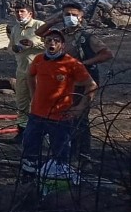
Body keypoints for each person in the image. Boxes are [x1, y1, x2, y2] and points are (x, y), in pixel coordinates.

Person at [36, 2, 112, 161]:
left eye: (73, 14)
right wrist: (53, 20)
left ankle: (84, 157)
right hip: (64, 83)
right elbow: (40, 32)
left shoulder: (87, 36)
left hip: (82, 81)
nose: (70, 17)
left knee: (80, 118)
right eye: (66, 14)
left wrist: (84, 64)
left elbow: (106, 54)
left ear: (81, 16)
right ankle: (68, 153)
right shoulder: (61, 35)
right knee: (64, 117)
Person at [20, 31, 97, 183]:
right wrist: (33, 94)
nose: (52, 43)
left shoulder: (72, 63)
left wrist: (80, 107)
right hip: (37, 114)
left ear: (62, 44)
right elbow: (30, 75)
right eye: (48, 40)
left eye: (56, 40)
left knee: (60, 153)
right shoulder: (39, 59)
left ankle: (57, 185)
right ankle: (28, 179)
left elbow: (92, 85)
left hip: (60, 117)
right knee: (30, 148)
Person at [6, 4, 45, 143]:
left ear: (30, 13)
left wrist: (32, 43)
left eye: (22, 11)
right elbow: (10, 47)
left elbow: (52, 44)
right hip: (22, 71)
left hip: (39, 72)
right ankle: (22, 132)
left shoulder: (39, 26)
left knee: (39, 101)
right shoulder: (16, 29)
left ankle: (41, 133)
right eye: (16, 12)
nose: (19, 14)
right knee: (22, 102)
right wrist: (14, 49)